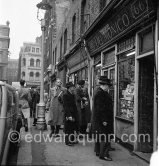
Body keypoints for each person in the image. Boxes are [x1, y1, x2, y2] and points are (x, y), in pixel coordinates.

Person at [92, 76, 114, 161]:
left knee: (101, 136)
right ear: (104, 85)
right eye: (108, 86)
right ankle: (104, 155)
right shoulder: (101, 93)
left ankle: (98, 151)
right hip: (104, 120)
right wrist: (104, 120)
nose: (108, 87)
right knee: (105, 137)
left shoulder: (100, 92)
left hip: (101, 120)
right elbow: (100, 108)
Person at [63, 82, 78, 146]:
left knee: (72, 127)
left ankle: (71, 140)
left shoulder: (72, 94)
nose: (73, 88)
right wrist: (68, 115)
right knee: (68, 128)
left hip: (73, 113)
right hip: (68, 113)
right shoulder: (65, 95)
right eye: (72, 87)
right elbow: (65, 106)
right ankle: (67, 141)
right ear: (69, 88)